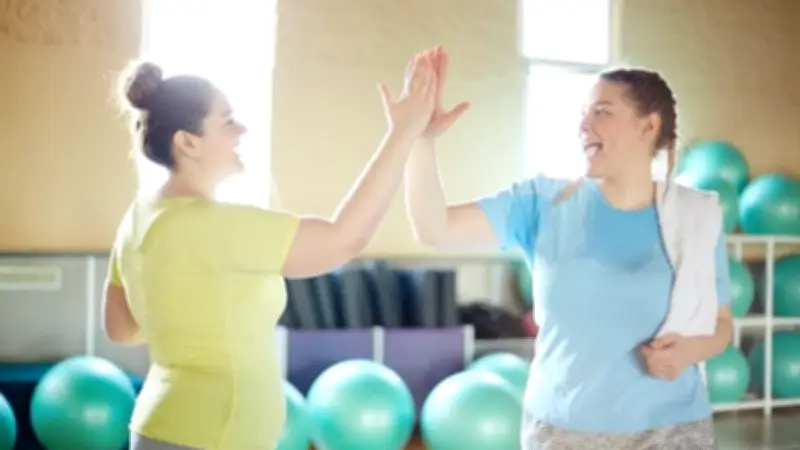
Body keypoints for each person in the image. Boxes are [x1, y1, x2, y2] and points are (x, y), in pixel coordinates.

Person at [102, 50, 438, 450]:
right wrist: (403, 133)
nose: (242, 130)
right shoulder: (216, 225)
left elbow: (121, 329)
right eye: (227, 122)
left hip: (157, 428)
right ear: (187, 142)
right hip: (212, 437)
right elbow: (345, 238)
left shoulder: (137, 218)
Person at [406, 48, 733, 449]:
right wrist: (420, 138)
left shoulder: (695, 217)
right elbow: (434, 227)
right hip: (563, 430)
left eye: (602, 111)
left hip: (673, 429)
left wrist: (690, 350)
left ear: (649, 126)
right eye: (583, 113)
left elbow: (721, 322)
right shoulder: (543, 201)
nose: (583, 124)